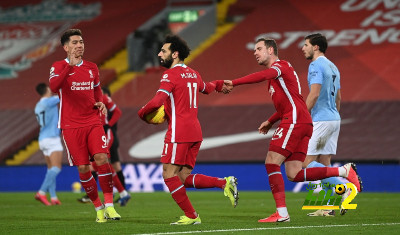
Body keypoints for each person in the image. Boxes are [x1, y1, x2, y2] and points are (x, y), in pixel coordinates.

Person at [221, 38, 362, 223]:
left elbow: (263, 76)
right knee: (294, 173)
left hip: (296, 121)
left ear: (271, 50)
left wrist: (234, 82)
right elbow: (285, 106)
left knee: (272, 161)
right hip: (302, 120)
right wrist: (271, 121)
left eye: (259, 49)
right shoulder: (275, 79)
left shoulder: (281, 66)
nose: (255, 52)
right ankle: (343, 172)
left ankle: (282, 213)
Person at [137, 34, 239, 225]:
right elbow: (207, 88)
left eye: (163, 51)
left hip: (179, 131)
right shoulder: (193, 73)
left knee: (168, 174)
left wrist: (142, 113)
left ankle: (192, 216)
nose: (159, 54)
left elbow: (157, 101)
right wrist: (219, 84)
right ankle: (224, 183)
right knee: (182, 177)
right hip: (195, 132)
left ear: (175, 54)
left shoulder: (170, 74)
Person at [49, 29, 120, 223]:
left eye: (81, 42)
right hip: (70, 125)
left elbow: (97, 89)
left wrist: (100, 102)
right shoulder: (57, 66)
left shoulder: (92, 67)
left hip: (92, 120)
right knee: (83, 168)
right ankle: (98, 208)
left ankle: (110, 206)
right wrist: (68, 67)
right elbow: (54, 87)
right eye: (74, 42)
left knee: (102, 158)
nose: (79, 45)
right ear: (65, 47)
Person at [301, 33, 348, 217]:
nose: (303, 48)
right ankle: (328, 207)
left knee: (307, 162)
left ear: (316, 47)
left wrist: (301, 117)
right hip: (334, 118)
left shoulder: (315, 65)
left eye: (306, 45)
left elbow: (313, 94)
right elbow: (339, 97)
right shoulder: (333, 66)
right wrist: (334, 115)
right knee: (324, 163)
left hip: (321, 119)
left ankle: (343, 186)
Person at [78, 87, 131, 206]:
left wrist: (108, 125)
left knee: (100, 163)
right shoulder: (84, 98)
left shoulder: (104, 97)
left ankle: (119, 193)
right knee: (98, 165)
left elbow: (118, 112)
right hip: (93, 133)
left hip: (104, 133)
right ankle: (121, 193)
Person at [34, 83, 63, 206]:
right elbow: (63, 96)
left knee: (50, 169)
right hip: (52, 138)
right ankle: (41, 192)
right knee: (56, 168)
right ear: (46, 89)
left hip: (42, 139)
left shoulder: (38, 105)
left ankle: (53, 197)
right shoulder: (49, 101)